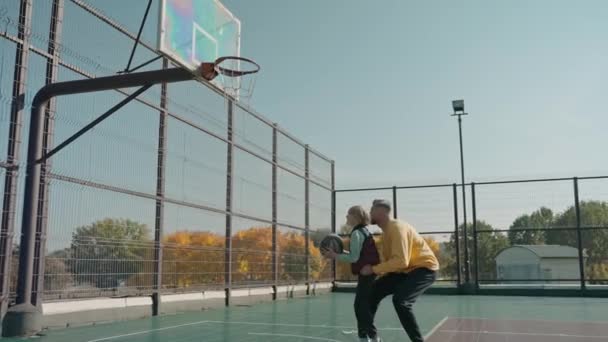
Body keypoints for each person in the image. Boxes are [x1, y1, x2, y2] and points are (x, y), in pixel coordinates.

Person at [359, 199, 439, 342]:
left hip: (424, 269)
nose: (369, 213)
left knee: (401, 301)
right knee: (372, 292)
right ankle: (369, 335)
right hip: (405, 271)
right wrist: (373, 271)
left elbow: (401, 261)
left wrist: (373, 269)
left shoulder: (397, 228)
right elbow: (392, 263)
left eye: (371, 211)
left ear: (381, 212)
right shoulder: (386, 232)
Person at [323, 205, 380, 342]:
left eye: (348, 214)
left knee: (361, 306)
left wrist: (335, 255)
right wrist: (338, 253)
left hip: (367, 273)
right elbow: (358, 255)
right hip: (369, 272)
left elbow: (354, 258)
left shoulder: (356, 233)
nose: (346, 217)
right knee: (361, 305)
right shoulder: (364, 231)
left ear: (356, 217)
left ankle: (373, 336)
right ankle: (364, 336)